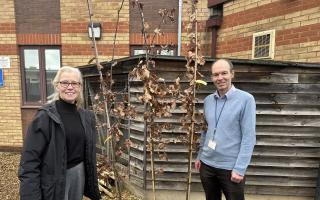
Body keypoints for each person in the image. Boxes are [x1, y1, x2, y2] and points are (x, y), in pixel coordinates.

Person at [18, 66, 101, 200]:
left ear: (80, 87)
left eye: (74, 83)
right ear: (57, 86)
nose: (70, 87)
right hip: (53, 178)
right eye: (64, 83)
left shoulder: (86, 116)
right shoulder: (45, 117)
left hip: (78, 175)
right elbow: (29, 162)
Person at [195, 59, 256, 200]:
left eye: (224, 73)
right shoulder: (208, 100)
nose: (220, 78)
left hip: (230, 168)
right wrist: (199, 156)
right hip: (207, 165)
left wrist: (240, 169)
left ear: (232, 74)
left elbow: (249, 137)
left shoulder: (246, 100)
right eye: (216, 75)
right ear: (212, 78)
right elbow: (206, 130)